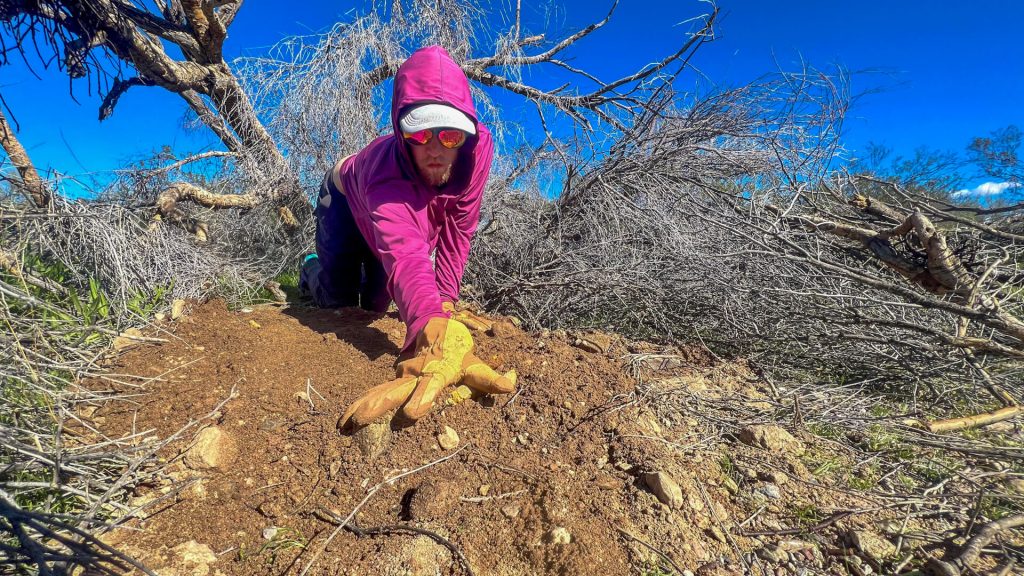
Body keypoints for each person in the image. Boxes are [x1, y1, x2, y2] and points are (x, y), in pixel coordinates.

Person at [299, 45, 516, 429]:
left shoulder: (477, 152)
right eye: (420, 133)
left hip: (389, 224)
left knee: (375, 307)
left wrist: (444, 304)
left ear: (467, 133)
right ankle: (311, 268)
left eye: (450, 135)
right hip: (344, 201)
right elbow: (406, 254)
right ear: (402, 132)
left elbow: (459, 228)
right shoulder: (385, 175)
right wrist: (431, 331)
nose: (436, 150)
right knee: (338, 302)